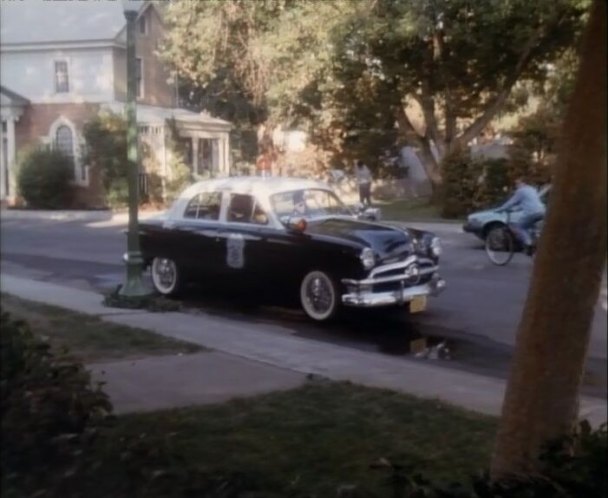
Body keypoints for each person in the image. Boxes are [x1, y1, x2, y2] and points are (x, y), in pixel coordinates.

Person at [496, 177, 546, 255]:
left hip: (532, 213)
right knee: (530, 227)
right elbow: (524, 204)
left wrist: (500, 209)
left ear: (524, 183)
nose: (517, 185)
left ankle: (528, 244)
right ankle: (536, 242)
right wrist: (514, 210)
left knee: (520, 226)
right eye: (516, 184)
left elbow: (511, 202)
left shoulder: (521, 191)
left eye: (518, 183)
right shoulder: (532, 190)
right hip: (542, 211)